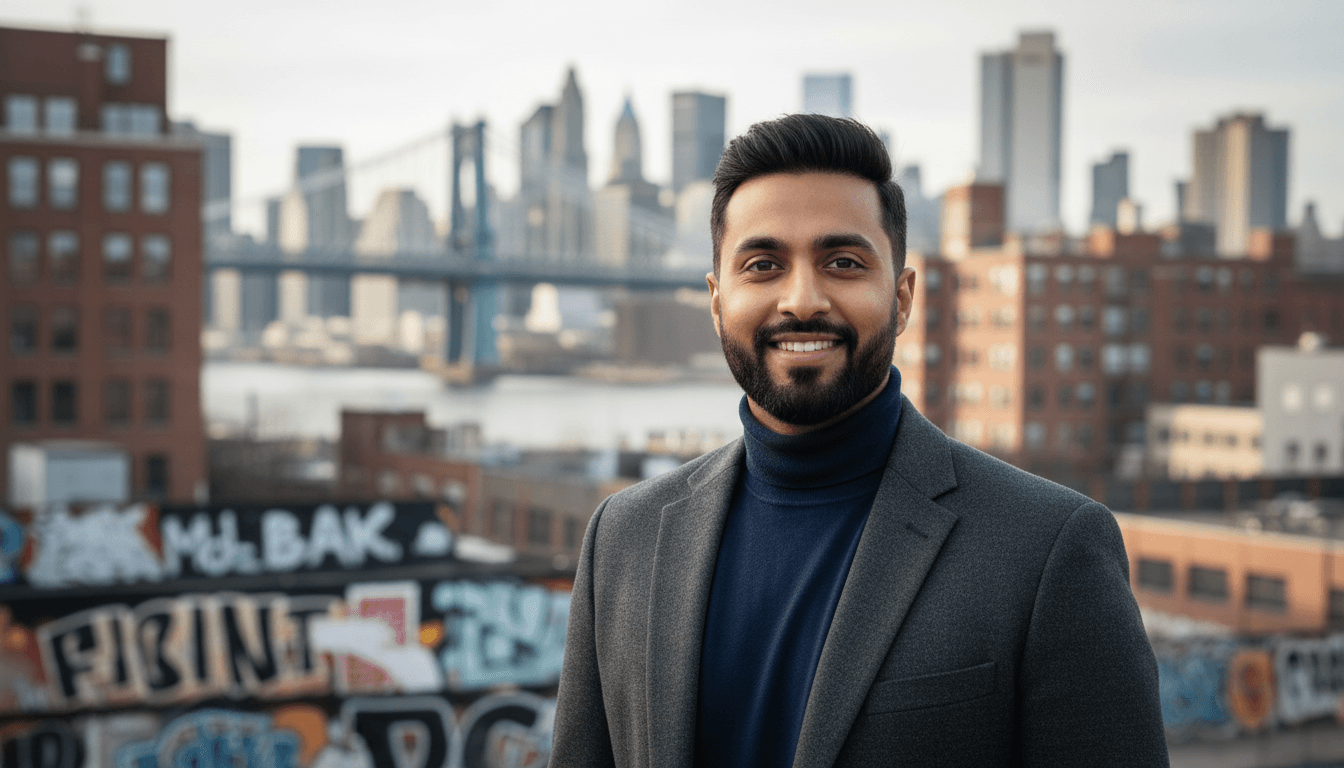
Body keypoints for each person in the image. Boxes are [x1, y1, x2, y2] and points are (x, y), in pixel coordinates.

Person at [549, 114, 1167, 767]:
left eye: (843, 262)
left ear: (901, 299)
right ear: (716, 299)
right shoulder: (622, 538)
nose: (802, 299)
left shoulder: (1048, 552)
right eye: (762, 265)